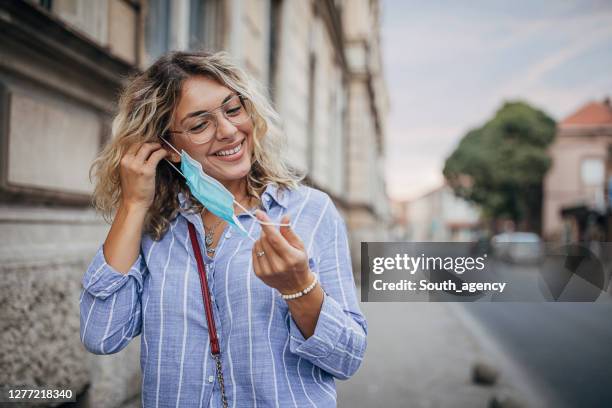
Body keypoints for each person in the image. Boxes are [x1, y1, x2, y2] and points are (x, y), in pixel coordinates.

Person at [79, 50, 367, 408]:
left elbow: (348, 357)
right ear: (166, 147)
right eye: (200, 125)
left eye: (233, 109)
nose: (229, 131)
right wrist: (133, 205)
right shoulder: (153, 225)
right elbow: (101, 335)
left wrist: (299, 288)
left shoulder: (310, 211)